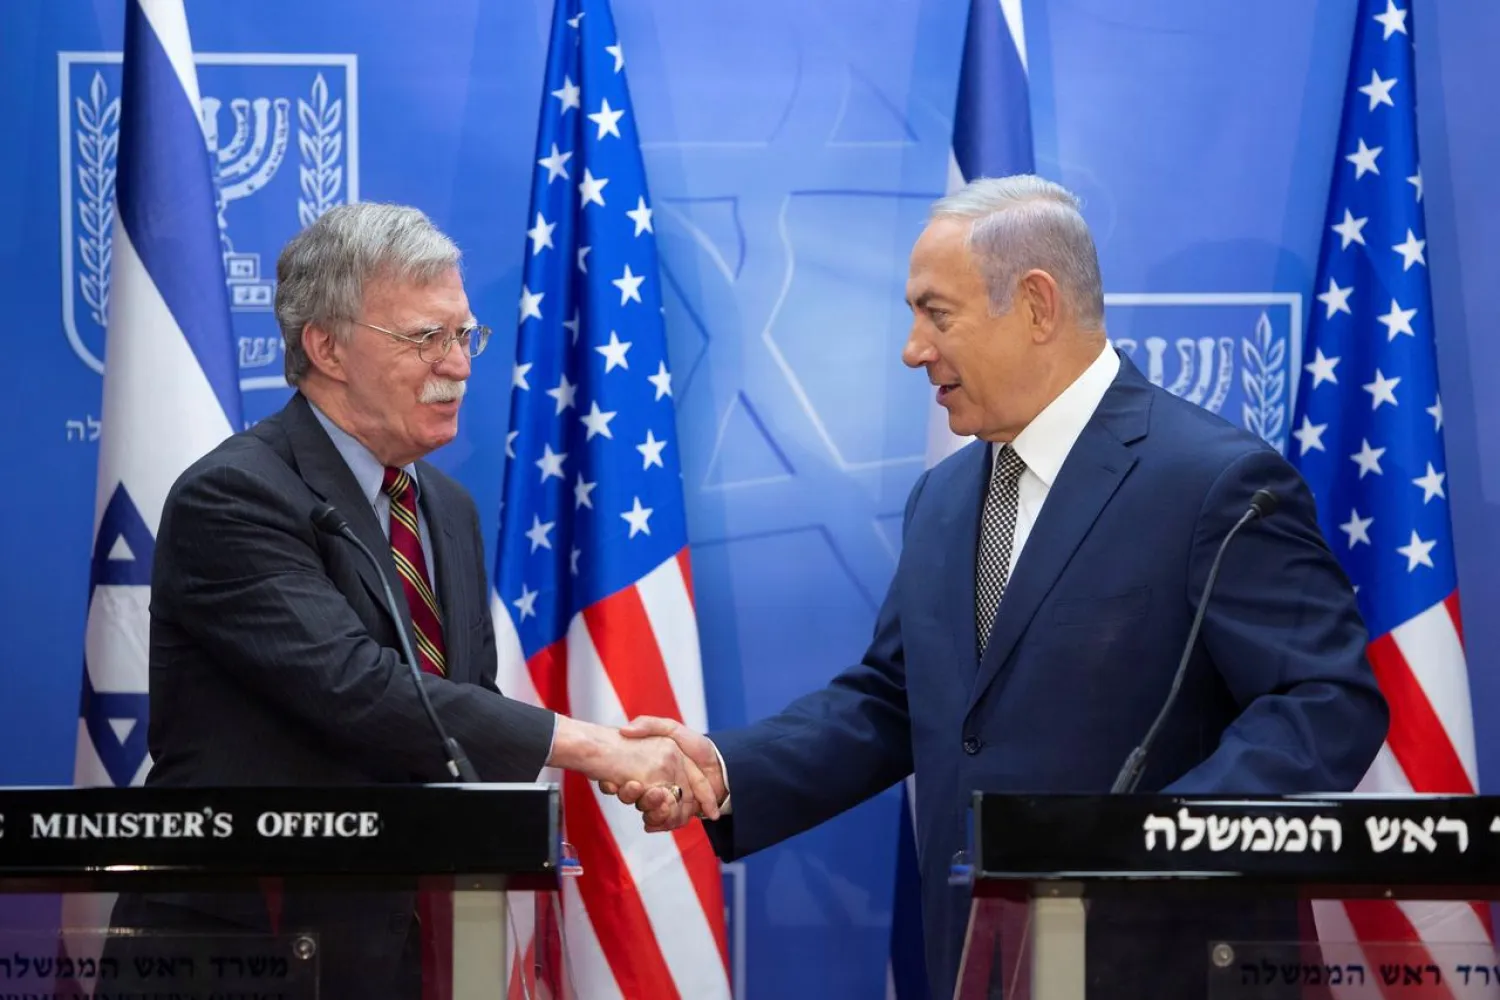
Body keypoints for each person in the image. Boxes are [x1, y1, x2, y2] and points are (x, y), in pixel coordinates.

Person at [605, 175, 1390, 999]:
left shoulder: (1216, 484)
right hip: (981, 963)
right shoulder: (944, 499)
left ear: (1038, 305)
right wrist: (727, 769)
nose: (913, 347)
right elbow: (894, 701)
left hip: (1167, 965)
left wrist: (1148, 846)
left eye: (936, 314)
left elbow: (1324, 700)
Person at [102, 202, 714, 998]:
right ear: (326, 346)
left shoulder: (444, 508)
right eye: (425, 338)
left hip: (400, 954)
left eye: (464, 336)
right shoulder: (237, 496)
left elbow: (463, 712)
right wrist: (601, 749)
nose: (458, 365)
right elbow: (359, 690)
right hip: (240, 958)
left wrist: (619, 764)